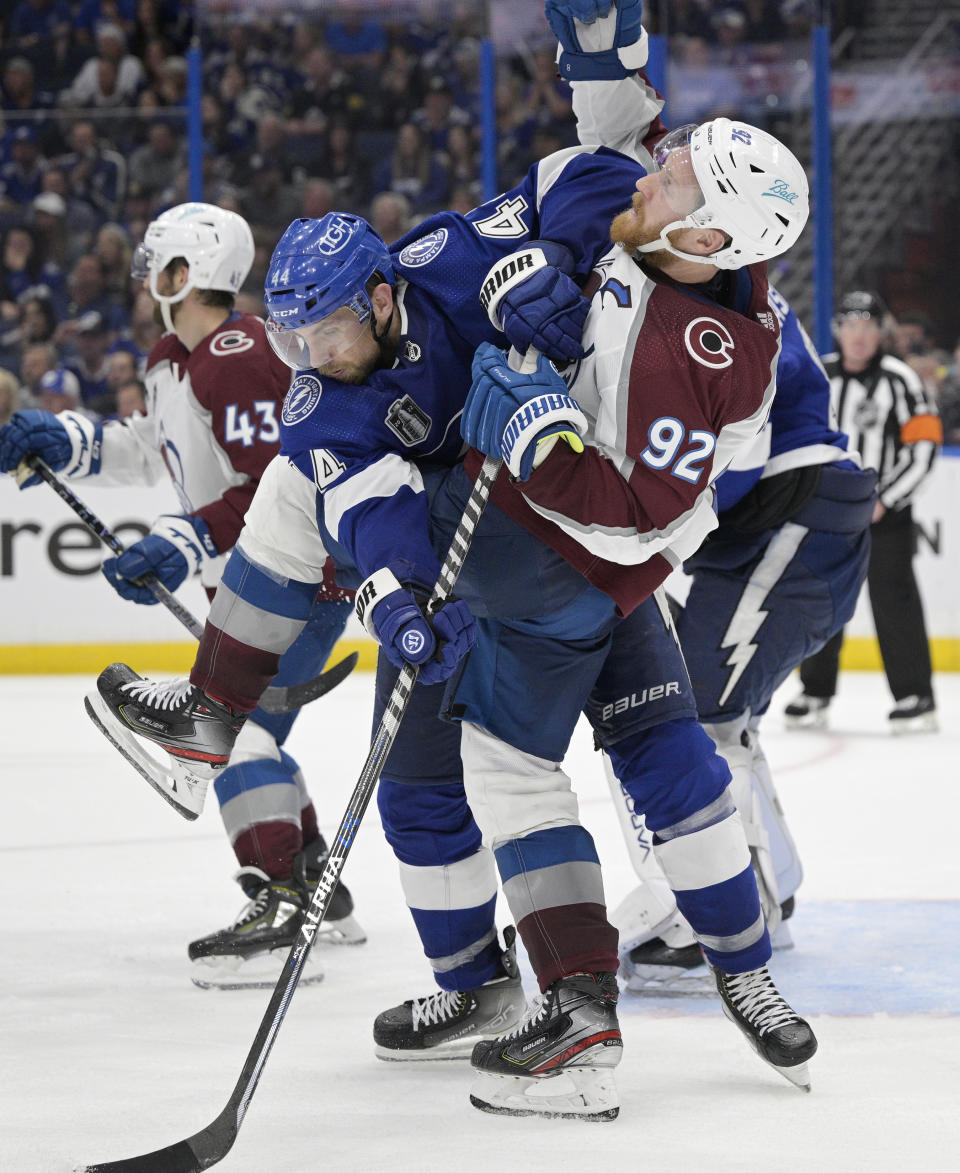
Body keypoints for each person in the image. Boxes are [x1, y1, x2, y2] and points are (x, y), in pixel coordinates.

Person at [81, 11, 817, 1121]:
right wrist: (392, 591)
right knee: (468, 780)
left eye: (675, 179)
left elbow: (649, 517)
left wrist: (541, 446)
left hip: (551, 561)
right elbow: (601, 152)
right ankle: (502, 985)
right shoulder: (582, 229)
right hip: (489, 557)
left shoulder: (703, 348)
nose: (656, 169)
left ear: (711, 241)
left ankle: (623, 998)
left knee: (562, 772)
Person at [0, 201, 364, 989]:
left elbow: (280, 479)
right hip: (254, 581)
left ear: (186, 273)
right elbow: (149, 447)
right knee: (248, 729)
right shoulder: (178, 359)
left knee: (225, 733)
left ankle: (281, 904)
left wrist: (183, 538)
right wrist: (64, 435)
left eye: (158, 264)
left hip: (299, 579)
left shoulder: (238, 353)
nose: (145, 278)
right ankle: (319, 894)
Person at [613, 282, 877, 993]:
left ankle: (713, 920)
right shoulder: (727, 284)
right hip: (800, 516)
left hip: (792, 515)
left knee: (688, 715)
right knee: (720, 716)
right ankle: (767, 889)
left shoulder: (703, 298)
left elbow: (737, 457)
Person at [784, 290, 941, 733]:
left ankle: (916, 694)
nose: (858, 336)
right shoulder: (820, 373)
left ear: (880, 334)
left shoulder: (900, 379)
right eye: (850, 326)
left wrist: (885, 500)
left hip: (883, 514)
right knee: (820, 599)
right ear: (838, 330)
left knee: (894, 599)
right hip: (827, 512)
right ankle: (814, 691)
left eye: (868, 327)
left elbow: (924, 448)